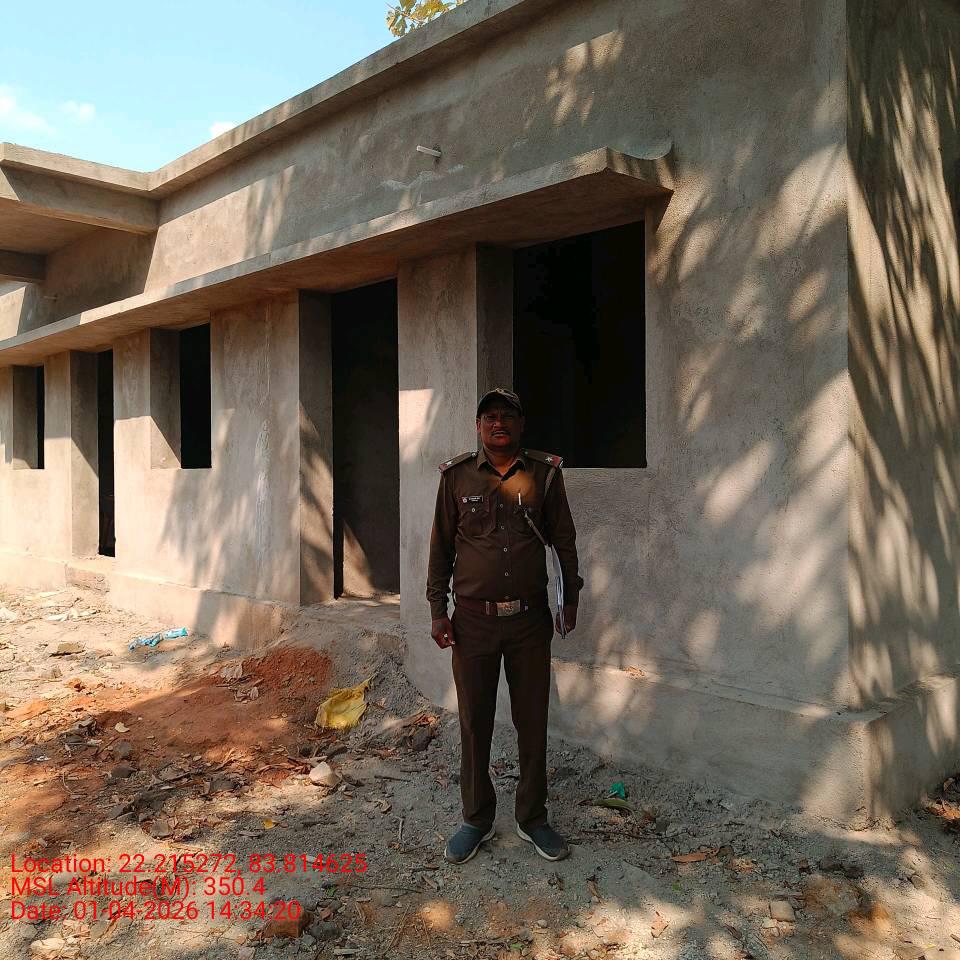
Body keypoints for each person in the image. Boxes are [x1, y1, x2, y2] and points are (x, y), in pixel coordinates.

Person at [427, 387, 583, 864]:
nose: (499, 424)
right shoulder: (456, 477)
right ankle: (476, 818)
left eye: (508, 417)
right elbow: (441, 548)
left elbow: (564, 541)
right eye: (490, 417)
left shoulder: (545, 474)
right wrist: (437, 610)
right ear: (479, 426)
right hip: (473, 622)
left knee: (531, 720)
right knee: (475, 722)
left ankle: (532, 817)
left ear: (520, 425)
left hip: (529, 622)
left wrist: (569, 599)